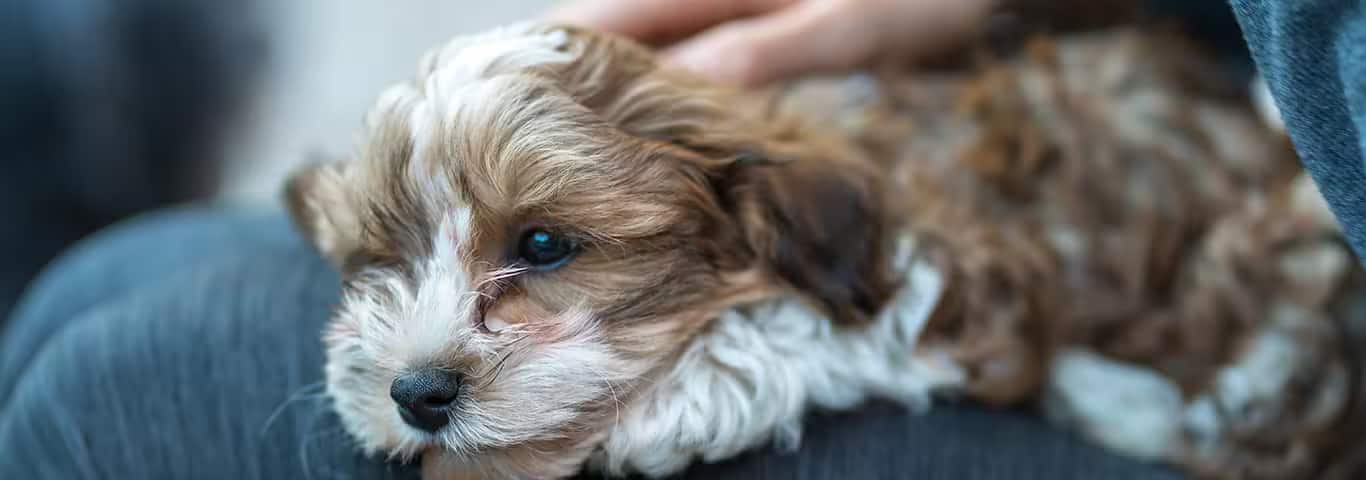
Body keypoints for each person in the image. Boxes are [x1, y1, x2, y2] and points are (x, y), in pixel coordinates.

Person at [1, 0, 1360, 478]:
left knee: (120, 383)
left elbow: (932, 308)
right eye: (383, 261)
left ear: (759, 218)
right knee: (99, 289)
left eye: (540, 250)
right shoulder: (772, 191)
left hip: (1256, 394)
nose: (427, 354)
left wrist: (699, 384)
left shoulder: (828, 222)